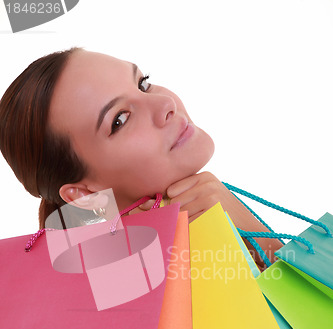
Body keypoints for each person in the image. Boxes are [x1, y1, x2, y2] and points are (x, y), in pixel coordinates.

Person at [0, 47, 282, 266]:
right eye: (120, 119)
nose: (166, 103)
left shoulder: (220, 214)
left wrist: (253, 234)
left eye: (143, 84)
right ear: (84, 195)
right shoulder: (120, 295)